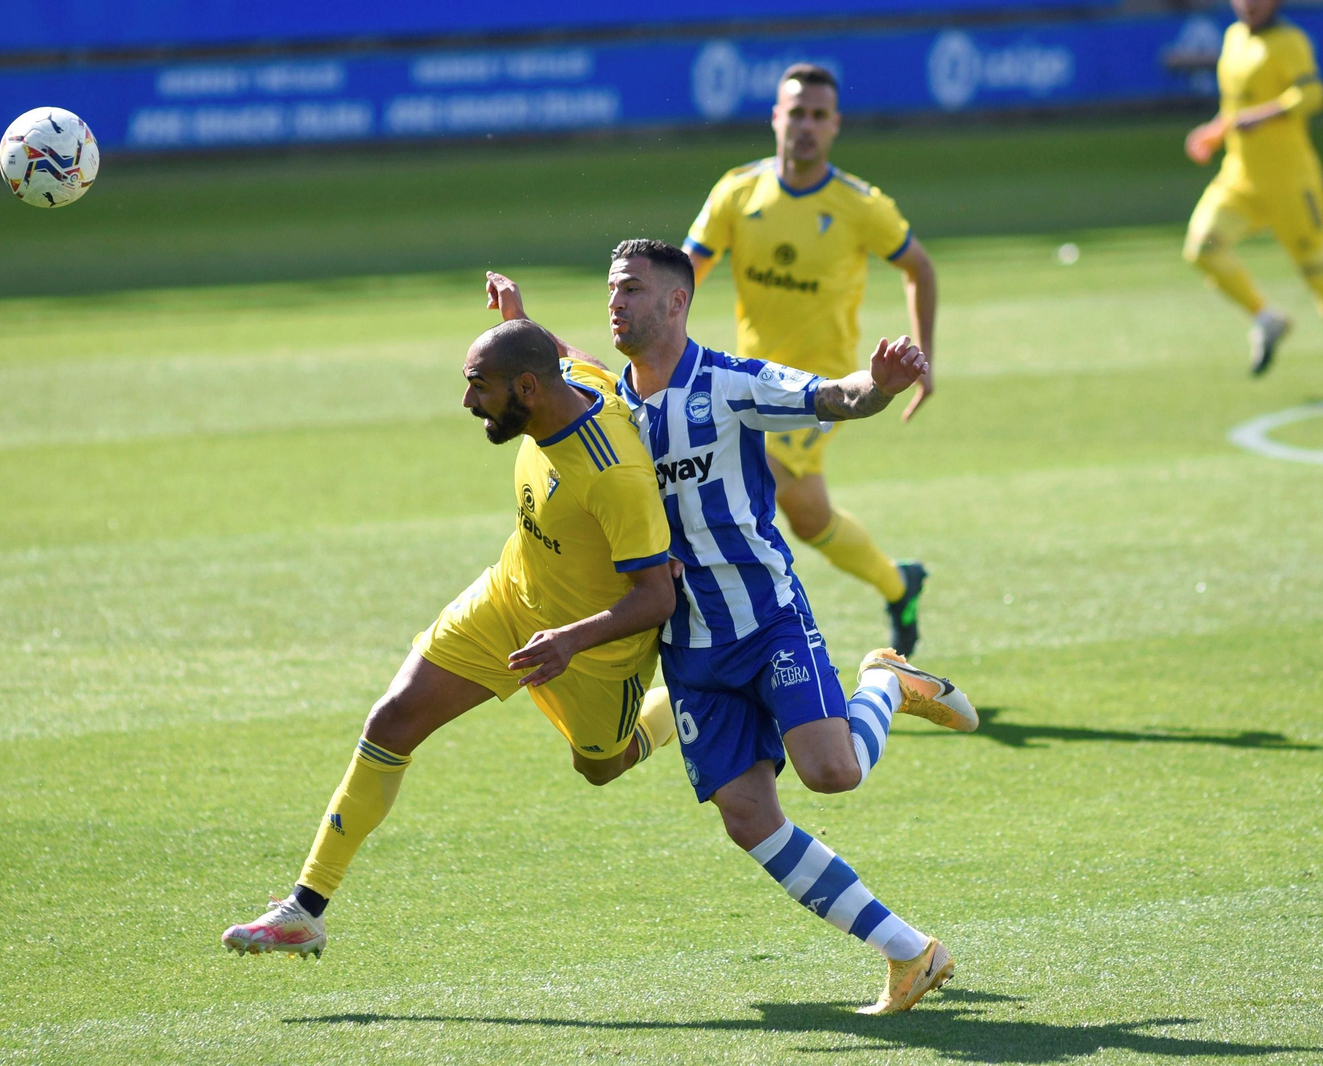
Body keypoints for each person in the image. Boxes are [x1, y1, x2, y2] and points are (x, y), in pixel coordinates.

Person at [489, 241, 975, 1014]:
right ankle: (909, 952)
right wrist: (523, 324)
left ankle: (886, 681)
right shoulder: (610, 404)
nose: (616, 302)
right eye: (612, 290)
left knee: (833, 773)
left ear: (677, 303)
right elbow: (562, 358)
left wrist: (877, 387)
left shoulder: (730, 383)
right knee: (749, 820)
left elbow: (831, 396)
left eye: (634, 291)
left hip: (767, 618)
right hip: (689, 648)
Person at [221, 318, 679, 959]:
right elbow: (569, 355)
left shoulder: (612, 474)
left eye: (478, 387)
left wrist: (569, 641)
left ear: (526, 387)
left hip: (593, 654)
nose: (467, 403)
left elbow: (657, 598)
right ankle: (305, 908)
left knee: (603, 765)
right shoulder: (567, 379)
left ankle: (686, 714)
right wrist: (519, 317)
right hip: (507, 600)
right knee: (392, 719)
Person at [683, 63, 938, 656]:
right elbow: (686, 274)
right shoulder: (737, 191)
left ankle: (742, 644)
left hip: (820, 391)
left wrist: (927, 359)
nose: (806, 125)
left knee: (740, 488)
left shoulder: (859, 205)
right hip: (749, 383)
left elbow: (918, 266)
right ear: (776, 117)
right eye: (796, 112)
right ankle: (900, 585)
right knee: (807, 516)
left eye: (819, 115)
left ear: (835, 127)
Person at [1184, 0, 1323, 374]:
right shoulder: (1232, 38)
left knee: (1318, 277)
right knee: (1202, 247)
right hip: (1240, 178)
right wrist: (1214, 133)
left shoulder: (1289, 41)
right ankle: (1266, 319)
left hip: (1290, 182)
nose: (1249, 5)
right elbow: (1234, 107)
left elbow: (1311, 95)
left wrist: (1263, 116)